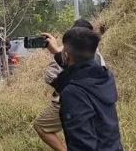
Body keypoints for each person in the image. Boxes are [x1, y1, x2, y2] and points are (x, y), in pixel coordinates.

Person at [45, 27, 122, 151]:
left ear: (66, 55)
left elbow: (82, 144)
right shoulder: (105, 76)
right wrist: (57, 53)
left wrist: (60, 55)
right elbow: (76, 73)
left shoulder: (73, 92)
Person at [34, 19, 106, 151]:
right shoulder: (98, 55)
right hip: (97, 103)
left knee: (41, 126)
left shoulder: (63, 52)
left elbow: (49, 77)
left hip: (68, 102)